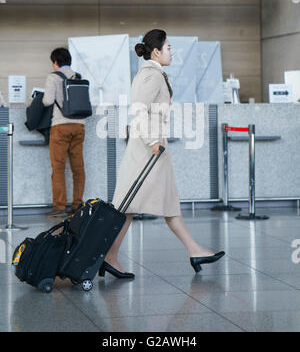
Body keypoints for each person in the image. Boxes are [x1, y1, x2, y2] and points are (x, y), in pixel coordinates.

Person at [99, 29, 225, 279]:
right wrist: (153, 140)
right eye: (168, 47)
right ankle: (110, 257)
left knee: (161, 203)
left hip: (153, 147)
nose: (172, 51)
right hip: (148, 148)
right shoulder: (151, 76)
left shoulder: (153, 73)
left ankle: (193, 250)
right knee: (129, 206)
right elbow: (139, 110)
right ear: (156, 51)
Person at [43, 48, 86, 217]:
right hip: (78, 125)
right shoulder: (78, 77)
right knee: (78, 168)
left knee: (58, 167)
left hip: (60, 126)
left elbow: (47, 101)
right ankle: (77, 205)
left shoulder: (53, 77)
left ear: (55, 62)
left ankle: (59, 207)